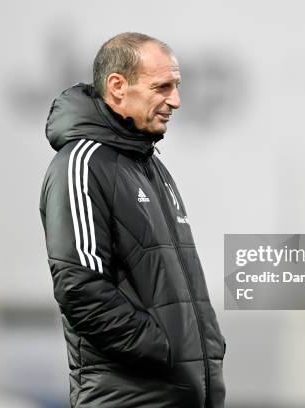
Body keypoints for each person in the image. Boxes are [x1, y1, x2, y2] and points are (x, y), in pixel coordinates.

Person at [39, 32, 226, 408]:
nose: (175, 100)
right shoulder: (82, 164)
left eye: (177, 86)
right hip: (130, 398)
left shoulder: (148, 165)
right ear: (118, 86)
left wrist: (202, 347)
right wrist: (166, 347)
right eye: (162, 87)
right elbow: (81, 289)